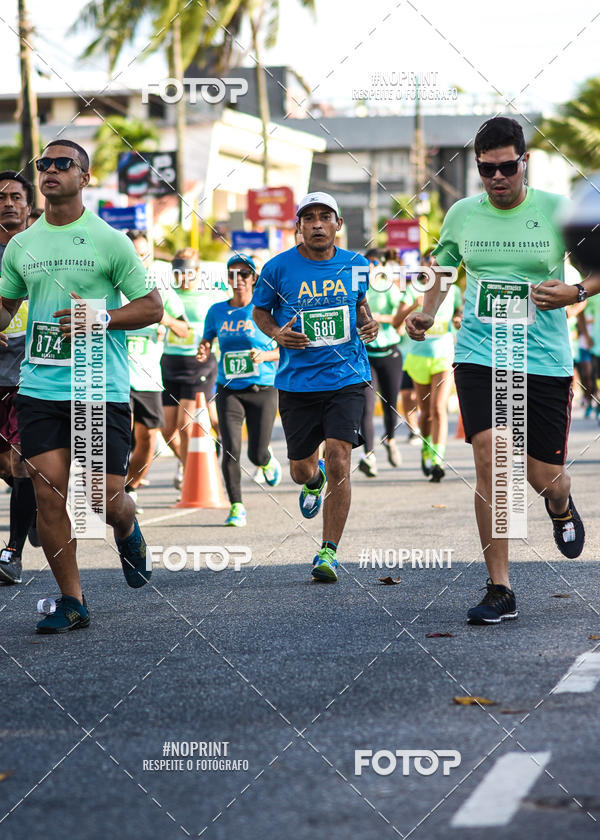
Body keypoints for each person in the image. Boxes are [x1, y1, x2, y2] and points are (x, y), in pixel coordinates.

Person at [407, 116, 593, 624]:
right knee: (491, 458)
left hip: (543, 360)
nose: (496, 178)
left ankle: (560, 502)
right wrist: (427, 310)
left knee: (543, 476)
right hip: (480, 354)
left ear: (524, 161)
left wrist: (576, 291)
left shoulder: (557, 210)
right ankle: (500, 587)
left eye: (506, 167)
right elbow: (442, 268)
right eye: (486, 169)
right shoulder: (462, 214)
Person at [0, 140, 163, 633]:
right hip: (40, 387)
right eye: (43, 164)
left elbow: (152, 307)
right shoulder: (21, 245)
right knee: (48, 493)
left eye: (62, 164)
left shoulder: (109, 240)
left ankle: (127, 526)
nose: (50, 170)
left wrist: (101, 317)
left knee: (101, 499)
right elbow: (6, 306)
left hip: (98, 385)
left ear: (84, 177)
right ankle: (73, 601)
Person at [253, 191, 378, 582]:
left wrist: (369, 324)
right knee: (300, 469)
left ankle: (328, 552)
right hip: (297, 382)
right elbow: (259, 311)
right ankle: (313, 480)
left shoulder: (357, 265)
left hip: (347, 377)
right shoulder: (277, 268)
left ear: (338, 224)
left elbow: (360, 305)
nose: (318, 224)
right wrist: (277, 333)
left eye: (326, 217)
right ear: (299, 226)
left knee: (340, 456)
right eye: (309, 218)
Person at [198, 254, 281, 526]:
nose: (239, 279)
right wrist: (204, 348)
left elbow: (286, 348)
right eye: (233, 274)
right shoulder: (217, 311)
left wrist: (265, 356)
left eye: (244, 274)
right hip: (229, 389)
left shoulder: (266, 311)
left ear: (254, 278)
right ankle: (236, 506)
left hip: (263, 388)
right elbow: (207, 339)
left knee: (256, 453)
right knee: (230, 448)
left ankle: (266, 461)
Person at [123, 231, 190, 512]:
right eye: (134, 254)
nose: (139, 260)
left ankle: (130, 488)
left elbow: (184, 329)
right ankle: (112, 491)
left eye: (144, 255)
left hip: (149, 378)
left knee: (149, 439)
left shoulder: (160, 290)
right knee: (121, 437)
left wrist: (164, 319)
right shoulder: (111, 286)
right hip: (117, 377)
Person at [160, 249, 227, 490]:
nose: (183, 278)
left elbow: (222, 323)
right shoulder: (167, 294)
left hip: (199, 364)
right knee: (167, 430)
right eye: (178, 273)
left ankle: (193, 481)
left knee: (186, 424)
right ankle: (189, 466)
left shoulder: (210, 295)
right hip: (170, 362)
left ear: (198, 272)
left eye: (188, 273)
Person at [0, 171, 38, 585]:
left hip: (31, 378)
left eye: (15, 196)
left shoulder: (42, 251)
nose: (8, 203)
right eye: (0, 198)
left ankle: (12, 552)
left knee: (21, 462)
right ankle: (35, 507)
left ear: (29, 206)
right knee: (7, 466)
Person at [397, 276, 463, 481]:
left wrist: (458, 318)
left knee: (438, 408)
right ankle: (426, 449)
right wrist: (413, 306)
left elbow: (459, 311)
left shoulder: (453, 290)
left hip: (444, 356)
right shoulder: (413, 290)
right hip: (418, 357)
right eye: (428, 263)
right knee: (425, 413)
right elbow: (396, 321)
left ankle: (437, 459)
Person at [358, 252, 405, 477]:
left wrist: (377, 318)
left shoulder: (389, 288)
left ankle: (391, 439)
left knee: (390, 403)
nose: (371, 268)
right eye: (367, 265)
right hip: (366, 355)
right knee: (366, 407)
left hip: (389, 353)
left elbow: (398, 318)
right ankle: (369, 455)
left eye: (375, 264)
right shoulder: (357, 289)